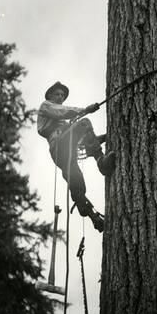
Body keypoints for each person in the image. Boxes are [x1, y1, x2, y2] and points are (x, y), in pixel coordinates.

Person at [37, 81, 116, 232]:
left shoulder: (63, 123)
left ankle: (94, 219)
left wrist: (103, 137)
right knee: (84, 122)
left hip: (64, 151)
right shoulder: (46, 106)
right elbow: (62, 111)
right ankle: (101, 163)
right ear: (50, 96)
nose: (60, 97)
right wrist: (84, 110)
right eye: (57, 94)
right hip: (59, 146)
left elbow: (84, 141)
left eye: (62, 95)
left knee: (77, 183)